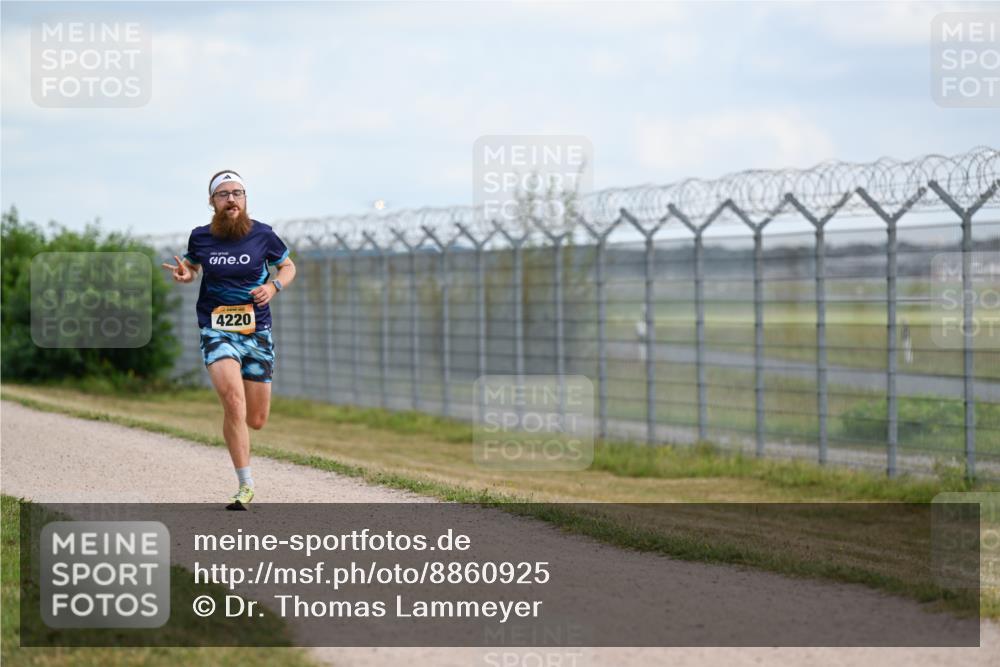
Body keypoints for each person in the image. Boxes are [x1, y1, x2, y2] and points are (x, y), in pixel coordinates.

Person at [161, 170, 296, 510]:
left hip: (256, 333)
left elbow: (288, 266)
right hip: (215, 327)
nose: (232, 199)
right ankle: (245, 485)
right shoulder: (202, 237)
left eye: (238, 193)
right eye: (224, 194)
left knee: (256, 419)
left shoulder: (263, 235)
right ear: (212, 202)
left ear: (245, 199)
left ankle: (246, 443)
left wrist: (273, 286)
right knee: (233, 402)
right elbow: (191, 267)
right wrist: (186, 274)